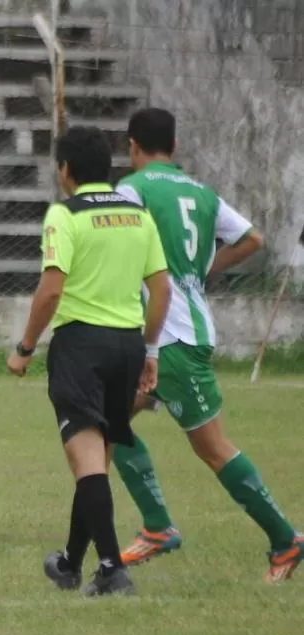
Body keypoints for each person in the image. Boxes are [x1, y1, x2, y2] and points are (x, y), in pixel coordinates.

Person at [111, 107, 303, 583]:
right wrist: (202, 271)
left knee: (213, 449)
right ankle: (157, 527)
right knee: (103, 419)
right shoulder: (201, 192)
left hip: (170, 335)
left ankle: (285, 540)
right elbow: (252, 238)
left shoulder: (132, 190)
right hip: (179, 327)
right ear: (173, 148)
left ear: (132, 145)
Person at [7, 126, 171, 597]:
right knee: (97, 460)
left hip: (80, 346)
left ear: (65, 170)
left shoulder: (65, 214)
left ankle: (112, 568)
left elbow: (52, 288)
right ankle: (70, 563)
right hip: (127, 346)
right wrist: (150, 349)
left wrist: (24, 349)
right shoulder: (136, 213)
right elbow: (161, 289)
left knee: (87, 464)